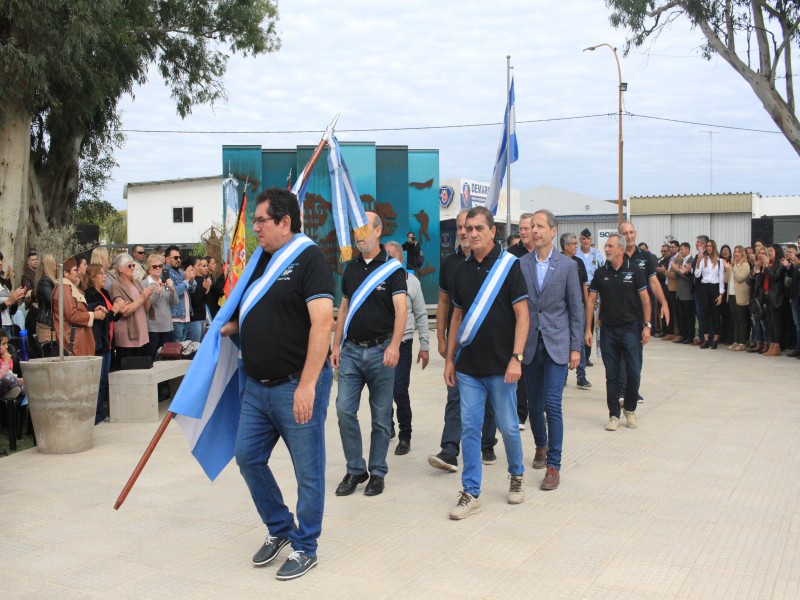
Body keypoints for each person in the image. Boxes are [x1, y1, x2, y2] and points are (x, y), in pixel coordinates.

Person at [223, 187, 335, 581]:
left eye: (261, 221)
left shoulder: (310, 259)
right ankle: (280, 528)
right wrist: (231, 327)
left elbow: (323, 322)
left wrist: (307, 385)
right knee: (247, 458)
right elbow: (253, 310)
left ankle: (306, 546)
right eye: (254, 221)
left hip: (295, 385)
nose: (255, 229)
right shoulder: (260, 261)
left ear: (285, 222)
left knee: (308, 471)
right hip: (256, 387)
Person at [444, 206, 528, 520]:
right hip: (468, 368)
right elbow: (456, 316)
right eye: (469, 229)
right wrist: (450, 360)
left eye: (480, 228)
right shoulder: (461, 269)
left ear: (493, 231)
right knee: (469, 428)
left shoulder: (510, 267)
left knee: (507, 427)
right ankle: (471, 492)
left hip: (502, 367)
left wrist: (517, 359)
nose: (473, 234)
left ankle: (517, 474)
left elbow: (523, 316)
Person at [331, 212, 407, 498]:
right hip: (351, 350)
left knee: (380, 416)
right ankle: (355, 469)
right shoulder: (350, 269)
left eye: (364, 228)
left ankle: (377, 471)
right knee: (343, 410)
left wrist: (395, 346)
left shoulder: (392, 269)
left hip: (380, 351)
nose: (358, 234)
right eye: (356, 229)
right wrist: (335, 345)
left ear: (378, 231)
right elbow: (344, 309)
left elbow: (402, 310)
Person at [428, 208, 498, 474]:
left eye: (469, 227)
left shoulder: (497, 263)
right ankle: (449, 449)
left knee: (490, 397)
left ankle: (487, 441)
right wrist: (442, 337)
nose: (464, 232)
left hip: (491, 343)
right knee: (454, 394)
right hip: (460, 344)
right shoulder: (450, 263)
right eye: (460, 227)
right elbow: (444, 301)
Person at [520, 213, 583, 491]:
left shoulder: (568, 266)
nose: (535, 231)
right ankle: (540, 446)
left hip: (557, 344)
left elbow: (576, 309)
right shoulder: (521, 265)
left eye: (540, 226)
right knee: (533, 405)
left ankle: (554, 466)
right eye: (532, 226)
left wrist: (575, 347)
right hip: (530, 346)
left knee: (552, 404)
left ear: (553, 231)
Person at [585, 233, 651, 431]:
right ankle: (613, 414)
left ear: (621, 250)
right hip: (608, 331)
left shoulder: (635, 271)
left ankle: (629, 409)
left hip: (631, 328)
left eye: (610, 246)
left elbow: (646, 300)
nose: (606, 249)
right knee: (611, 375)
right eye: (606, 246)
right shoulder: (600, 273)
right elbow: (590, 301)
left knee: (633, 372)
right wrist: (588, 329)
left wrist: (647, 326)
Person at [384, 241, 429, 455]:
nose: (386, 260)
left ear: (401, 259)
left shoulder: (412, 283)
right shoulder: (377, 281)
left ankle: (405, 434)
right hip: (381, 343)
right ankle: (387, 427)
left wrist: (425, 346)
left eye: (391, 256)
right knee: (382, 391)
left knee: (399, 390)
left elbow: (421, 314)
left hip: (403, 343)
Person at [84, 264, 125, 423]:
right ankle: (95, 415)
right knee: (97, 381)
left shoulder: (105, 292)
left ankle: (101, 412)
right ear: (93, 277)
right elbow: (100, 318)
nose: (105, 276)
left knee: (104, 380)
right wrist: (113, 311)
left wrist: (118, 311)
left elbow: (111, 318)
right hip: (98, 340)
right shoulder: (90, 295)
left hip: (108, 340)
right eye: (101, 274)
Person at [507, 213, 534, 428]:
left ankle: (538, 407)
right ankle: (520, 412)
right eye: (521, 229)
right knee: (521, 362)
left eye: (527, 228)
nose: (524, 233)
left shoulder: (543, 254)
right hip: (517, 317)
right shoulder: (511, 255)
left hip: (540, 318)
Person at [52, 257, 103, 357]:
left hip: (75, 340)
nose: (78, 272)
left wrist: (92, 310)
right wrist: (93, 315)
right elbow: (72, 315)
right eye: (75, 270)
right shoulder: (64, 288)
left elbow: (76, 310)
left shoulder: (68, 287)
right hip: (72, 342)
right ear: (66, 273)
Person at [110, 253, 153, 369]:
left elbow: (146, 309)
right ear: (120, 269)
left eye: (133, 265)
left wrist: (147, 297)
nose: (133, 268)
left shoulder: (136, 282)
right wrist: (142, 298)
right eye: (129, 266)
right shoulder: (116, 285)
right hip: (127, 338)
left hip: (142, 334)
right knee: (128, 371)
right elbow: (124, 311)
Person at [559, 232, 591, 389]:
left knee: (580, 343)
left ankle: (582, 376)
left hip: (577, 307)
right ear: (566, 246)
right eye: (574, 244)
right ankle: (562, 376)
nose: (576, 246)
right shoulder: (557, 261)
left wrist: (586, 304)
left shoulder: (578, 262)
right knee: (564, 343)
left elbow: (584, 285)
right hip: (562, 309)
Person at [576, 229, 603, 366]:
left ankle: (586, 355)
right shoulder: (576, 253)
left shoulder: (597, 254)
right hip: (580, 289)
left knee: (591, 322)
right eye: (584, 239)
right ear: (580, 240)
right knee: (579, 321)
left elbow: (602, 270)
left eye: (588, 239)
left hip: (593, 290)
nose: (586, 241)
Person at [143, 254, 178, 360]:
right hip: (153, 328)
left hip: (167, 326)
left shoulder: (165, 282)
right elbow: (146, 305)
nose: (158, 268)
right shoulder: (144, 283)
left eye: (160, 266)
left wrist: (172, 289)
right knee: (152, 358)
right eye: (154, 266)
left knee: (165, 360)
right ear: (149, 268)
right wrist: (157, 293)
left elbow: (174, 301)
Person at [694, 239, 725, 349]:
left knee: (715, 314)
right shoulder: (703, 260)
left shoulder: (719, 261)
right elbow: (697, 275)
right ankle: (706, 339)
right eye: (707, 246)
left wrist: (721, 294)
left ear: (714, 247)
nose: (708, 248)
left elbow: (721, 279)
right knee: (704, 314)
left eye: (710, 246)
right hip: (705, 287)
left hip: (715, 287)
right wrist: (698, 261)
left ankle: (715, 339)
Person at [164, 246, 196, 342]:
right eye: (176, 258)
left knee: (182, 351)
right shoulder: (165, 272)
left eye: (180, 258)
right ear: (167, 259)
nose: (179, 260)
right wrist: (186, 280)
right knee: (175, 351)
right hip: (175, 319)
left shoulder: (180, 272)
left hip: (185, 317)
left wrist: (191, 279)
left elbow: (192, 289)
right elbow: (173, 292)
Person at [762, 244, 787, 357]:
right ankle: (772, 345)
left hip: (777, 297)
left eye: (771, 251)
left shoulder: (780, 264)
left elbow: (775, 277)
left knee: (775, 323)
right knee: (770, 323)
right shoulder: (771, 264)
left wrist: (767, 267)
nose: (769, 253)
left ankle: (776, 346)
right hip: (769, 297)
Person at [727, 245, 751, 351]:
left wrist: (733, 267)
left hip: (740, 295)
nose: (736, 254)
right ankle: (736, 341)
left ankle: (742, 342)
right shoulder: (733, 265)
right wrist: (729, 268)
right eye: (735, 251)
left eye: (738, 252)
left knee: (741, 320)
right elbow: (727, 279)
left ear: (742, 254)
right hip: (731, 294)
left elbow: (740, 278)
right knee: (735, 319)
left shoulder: (745, 265)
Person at [748, 247, 771, 354]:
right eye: (759, 253)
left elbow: (762, 282)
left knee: (763, 322)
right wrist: (754, 271)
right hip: (754, 297)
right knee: (756, 321)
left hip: (763, 298)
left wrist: (761, 270)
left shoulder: (767, 268)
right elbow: (749, 281)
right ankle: (758, 343)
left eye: (763, 253)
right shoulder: (755, 267)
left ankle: (766, 343)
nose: (761, 255)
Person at [673, 243, 696, 345]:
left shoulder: (692, 261)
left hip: (688, 293)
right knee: (681, 315)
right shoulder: (681, 260)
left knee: (689, 316)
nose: (680, 252)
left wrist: (679, 271)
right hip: (680, 292)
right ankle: (683, 334)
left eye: (682, 249)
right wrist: (678, 271)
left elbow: (690, 278)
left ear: (687, 249)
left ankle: (690, 336)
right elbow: (678, 276)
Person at [0, 251, 26, 336]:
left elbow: (12, 311)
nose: (1, 262)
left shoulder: (5, 281)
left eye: (1, 260)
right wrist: (7, 303)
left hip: (8, 324)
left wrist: (14, 300)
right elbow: (6, 303)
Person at [782, 245, 800, 357]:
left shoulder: (797, 263)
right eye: (787, 252)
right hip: (794, 296)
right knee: (797, 324)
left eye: (791, 252)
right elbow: (790, 278)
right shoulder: (793, 264)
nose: (789, 254)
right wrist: (789, 267)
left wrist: (797, 265)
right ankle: (797, 348)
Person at [188, 256, 211, 342]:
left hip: (201, 318)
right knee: (195, 346)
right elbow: (195, 301)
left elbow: (204, 301)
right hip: (195, 319)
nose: (206, 268)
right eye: (202, 266)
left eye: (207, 266)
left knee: (200, 346)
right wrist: (205, 289)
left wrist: (206, 290)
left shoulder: (203, 280)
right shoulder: (194, 281)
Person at [0, 330, 24, 399]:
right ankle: (19, 391)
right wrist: (6, 363)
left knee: (26, 380)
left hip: (8, 385)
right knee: (8, 378)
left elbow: (10, 374)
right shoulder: (6, 360)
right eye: (3, 344)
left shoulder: (5, 357)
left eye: (7, 343)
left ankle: (17, 391)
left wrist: (19, 379)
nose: (7, 346)